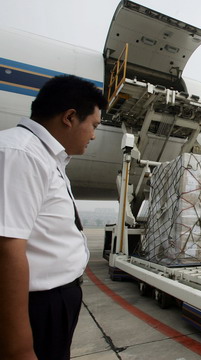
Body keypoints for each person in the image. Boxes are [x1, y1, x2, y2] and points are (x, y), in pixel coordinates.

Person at [0, 75, 107, 359]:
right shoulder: (20, 154)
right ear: (70, 117)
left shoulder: (45, 156)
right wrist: (19, 349)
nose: (94, 135)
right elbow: (7, 249)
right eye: (93, 125)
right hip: (37, 306)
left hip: (53, 302)